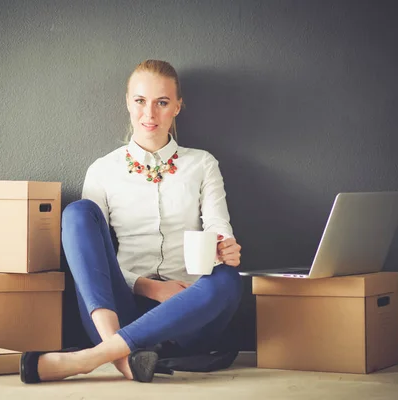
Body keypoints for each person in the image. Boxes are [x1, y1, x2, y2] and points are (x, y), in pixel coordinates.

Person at [20, 60, 243, 384]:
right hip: (118, 311)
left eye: (162, 102)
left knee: (228, 279)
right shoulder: (103, 169)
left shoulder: (202, 163)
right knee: (77, 212)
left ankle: (90, 359)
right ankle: (119, 348)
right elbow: (90, 254)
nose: (149, 114)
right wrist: (151, 287)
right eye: (140, 101)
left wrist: (226, 246)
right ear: (128, 102)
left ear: (177, 106)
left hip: (189, 312)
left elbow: (217, 224)